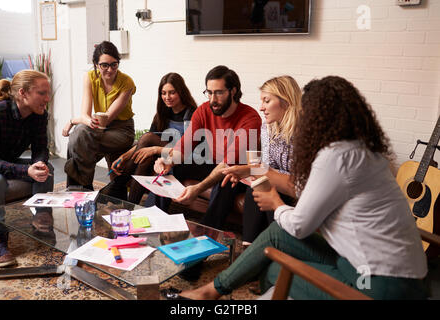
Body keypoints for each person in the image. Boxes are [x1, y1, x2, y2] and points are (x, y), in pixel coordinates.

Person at [163, 76, 428, 300]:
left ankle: (212, 289)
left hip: (379, 283)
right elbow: (293, 181)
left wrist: (275, 203)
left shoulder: (334, 155)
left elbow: (300, 222)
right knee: (274, 230)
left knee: (274, 271)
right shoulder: (364, 151)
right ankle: (210, 290)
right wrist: (250, 172)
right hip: (385, 268)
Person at [150, 65, 262, 231]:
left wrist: (198, 188)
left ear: (233, 91)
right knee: (172, 168)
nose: (212, 99)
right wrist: (168, 161)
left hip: (240, 171)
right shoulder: (204, 110)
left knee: (225, 179)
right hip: (212, 163)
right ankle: (152, 218)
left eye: (219, 92)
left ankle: (206, 234)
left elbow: (228, 164)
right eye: (209, 92)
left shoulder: (250, 118)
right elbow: (184, 147)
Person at [221, 75, 301, 245]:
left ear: (285, 101)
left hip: (297, 191)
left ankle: (270, 248)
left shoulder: (303, 132)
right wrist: (248, 170)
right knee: (256, 185)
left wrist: (255, 170)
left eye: (266, 101)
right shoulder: (267, 126)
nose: (261, 107)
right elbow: (265, 166)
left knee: (262, 185)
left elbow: (299, 181)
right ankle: (251, 246)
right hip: (276, 183)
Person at [0, 70, 54, 267]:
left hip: (5, 160)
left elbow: (40, 148)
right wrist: (25, 171)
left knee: (47, 169)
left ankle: (42, 224)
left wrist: (39, 163)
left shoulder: (39, 115)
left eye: (47, 93)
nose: (47, 98)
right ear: (22, 93)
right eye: (41, 93)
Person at [100, 72, 198, 202]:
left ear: (181, 92)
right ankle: (131, 204)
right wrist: (124, 157)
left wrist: (155, 149)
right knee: (146, 157)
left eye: (172, 92)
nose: (167, 97)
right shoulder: (162, 114)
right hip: (164, 155)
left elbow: (187, 148)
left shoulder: (192, 114)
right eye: (163, 93)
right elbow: (143, 144)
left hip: (183, 156)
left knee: (149, 138)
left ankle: (118, 184)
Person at [62, 41, 136, 190]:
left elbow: (106, 118)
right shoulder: (90, 77)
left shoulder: (126, 82)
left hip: (122, 130)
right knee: (78, 136)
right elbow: (85, 114)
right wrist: (82, 121)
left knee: (78, 137)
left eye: (114, 64)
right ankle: (82, 186)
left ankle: (81, 187)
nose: (109, 69)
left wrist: (73, 121)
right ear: (96, 64)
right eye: (104, 65)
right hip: (98, 127)